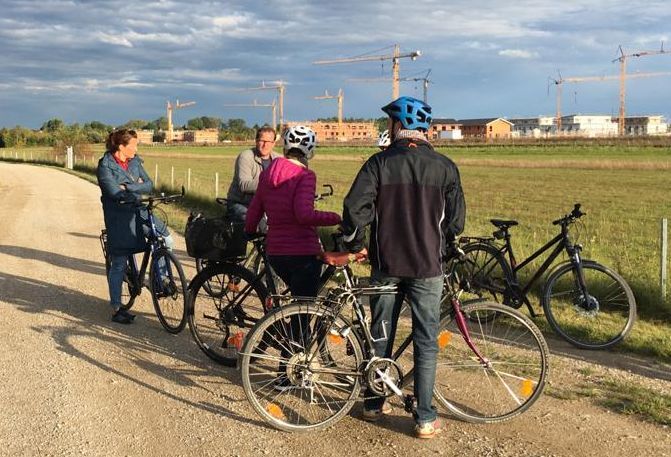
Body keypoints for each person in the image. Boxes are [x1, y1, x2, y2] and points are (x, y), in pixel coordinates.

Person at [340, 96, 466, 438]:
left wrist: (355, 244)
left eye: (389, 124)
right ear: (424, 129)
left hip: (386, 264)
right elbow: (456, 224)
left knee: (380, 333)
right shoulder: (446, 167)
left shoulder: (378, 163)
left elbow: (354, 209)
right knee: (426, 341)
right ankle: (424, 417)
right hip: (428, 267)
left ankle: (373, 402)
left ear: (397, 126)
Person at [245, 125, 341, 299]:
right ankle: (293, 327)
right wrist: (335, 218)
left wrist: (250, 230)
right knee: (303, 308)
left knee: (294, 303)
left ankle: (282, 325)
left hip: (275, 252)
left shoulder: (267, 174)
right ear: (310, 152)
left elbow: (255, 209)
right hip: (302, 252)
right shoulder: (305, 175)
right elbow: (304, 214)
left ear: (285, 147)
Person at [97, 129, 174, 324]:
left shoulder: (135, 161)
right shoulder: (105, 166)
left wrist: (128, 186)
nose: (137, 148)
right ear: (121, 147)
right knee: (120, 262)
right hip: (119, 216)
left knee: (166, 238)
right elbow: (114, 192)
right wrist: (133, 186)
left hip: (139, 209)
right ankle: (116, 308)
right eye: (134, 145)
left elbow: (149, 184)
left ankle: (161, 280)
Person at [226, 125, 282, 222]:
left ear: (273, 143)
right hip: (241, 203)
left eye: (269, 142)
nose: (265, 145)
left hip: (266, 205)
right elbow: (244, 185)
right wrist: (271, 182)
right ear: (256, 141)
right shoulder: (246, 156)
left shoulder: (279, 160)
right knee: (257, 222)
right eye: (262, 141)